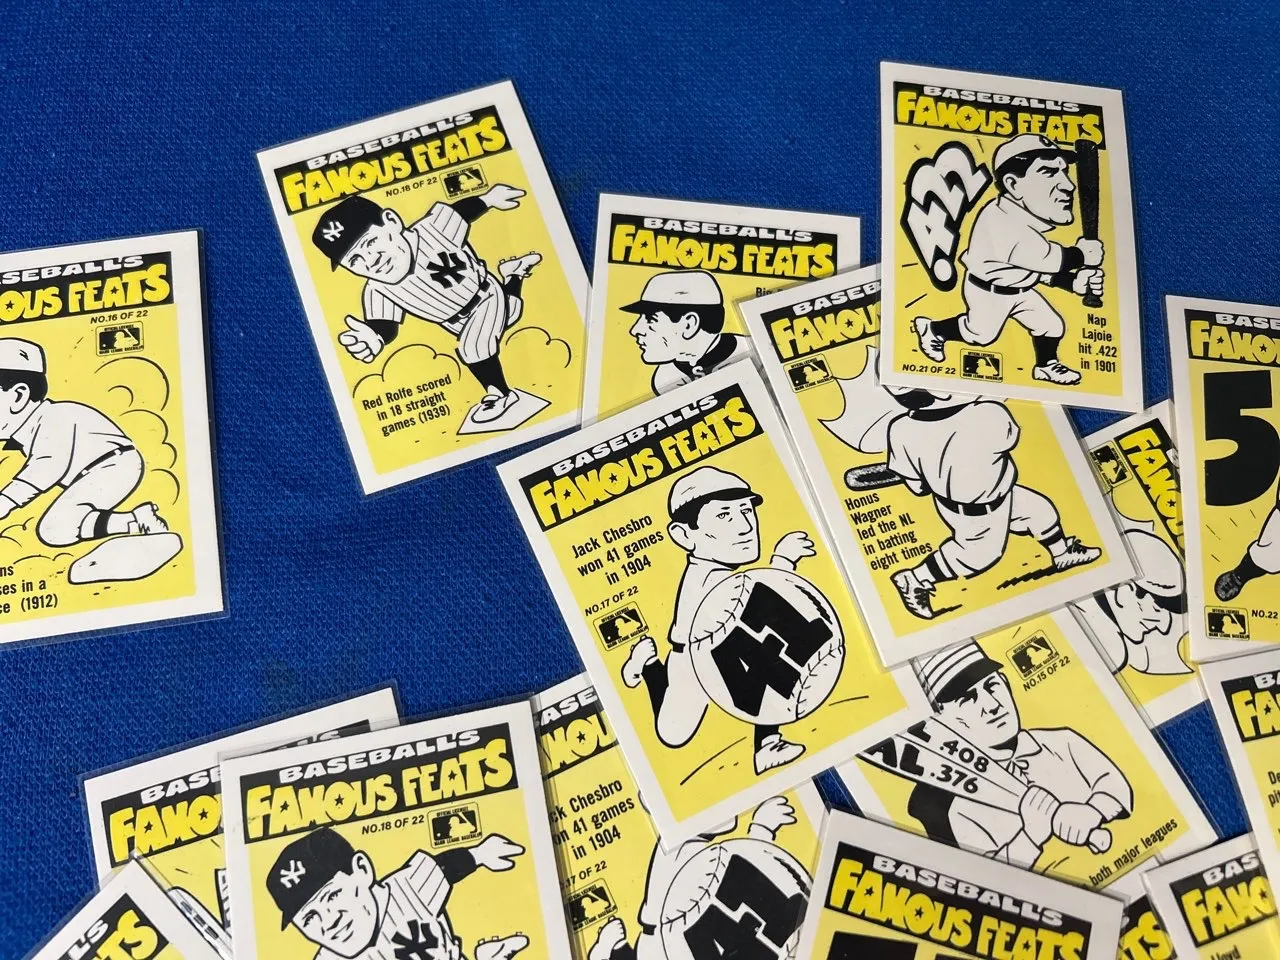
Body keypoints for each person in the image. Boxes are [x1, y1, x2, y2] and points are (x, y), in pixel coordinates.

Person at [620, 466, 814, 774]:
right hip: (693, 662)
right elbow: (768, 601)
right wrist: (783, 560)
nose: (746, 526)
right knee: (672, 734)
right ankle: (648, 666)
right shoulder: (706, 578)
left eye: (746, 511)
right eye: (724, 515)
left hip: (732, 655)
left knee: (771, 659)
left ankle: (767, 744)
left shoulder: (728, 574)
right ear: (685, 535)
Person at [312, 185, 541, 425]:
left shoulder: (433, 229)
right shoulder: (377, 289)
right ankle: (513, 274)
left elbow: (460, 212)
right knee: (511, 312)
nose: (371, 260)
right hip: (453, 322)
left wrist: (489, 198)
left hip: (484, 294)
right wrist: (375, 337)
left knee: (474, 347)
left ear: (392, 222)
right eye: (355, 260)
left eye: (371, 243)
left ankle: (500, 394)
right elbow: (385, 325)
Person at [907, 642, 1132, 869]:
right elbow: (991, 876)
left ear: (1006, 683)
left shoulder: (1063, 741)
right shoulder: (962, 809)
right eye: (968, 699)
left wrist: (1094, 811)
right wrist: (1030, 836)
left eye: (992, 686)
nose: (992, 705)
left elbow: (1115, 784)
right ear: (940, 723)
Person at [912, 134, 1104, 385]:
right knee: (980, 335)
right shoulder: (1002, 222)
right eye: (1048, 172)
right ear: (1013, 184)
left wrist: (1073, 283)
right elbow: (1052, 260)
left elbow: (1034, 270)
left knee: (1051, 325)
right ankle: (933, 329)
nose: (1068, 185)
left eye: (1064, 172)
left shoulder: (1024, 218)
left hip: (1020, 287)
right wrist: (1083, 254)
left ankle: (1046, 365)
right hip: (988, 292)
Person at [0, 338, 176, 580]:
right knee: (54, 530)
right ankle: (136, 522)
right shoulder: (32, 428)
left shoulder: (54, 417)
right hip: (96, 471)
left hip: (113, 464)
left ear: (19, 396)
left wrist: (5, 501)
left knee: (56, 526)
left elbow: (46, 467)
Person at [267, 827, 528, 960]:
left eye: (333, 896)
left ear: (362, 870)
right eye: (309, 918)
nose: (329, 921)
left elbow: (445, 868)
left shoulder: (407, 889)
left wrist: (480, 853)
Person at [621, 271, 751, 396]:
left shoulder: (754, 350)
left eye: (651, 319)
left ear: (689, 324)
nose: (635, 330)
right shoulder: (664, 378)